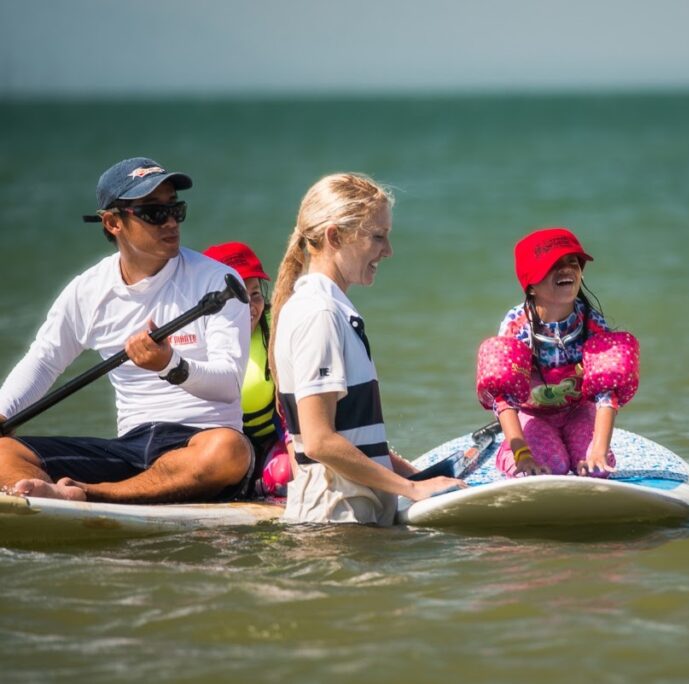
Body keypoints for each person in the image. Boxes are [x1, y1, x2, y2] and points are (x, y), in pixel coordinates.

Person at [0, 157, 252, 503]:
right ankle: (51, 496)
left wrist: (169, 365)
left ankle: (87, 495)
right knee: (3, 451)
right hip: (130, 450)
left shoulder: (216, 282)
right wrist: (3, 412)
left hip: (199, 444)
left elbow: (228, 385)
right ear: (112, 222)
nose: (170, 222)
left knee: (230, 450)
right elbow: (44, 361)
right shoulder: (88, 290)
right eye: (153, 213)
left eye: (175, 210)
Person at [269, 172, 464, 524]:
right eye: (378, 237)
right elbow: (318, 442)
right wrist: (412, 489)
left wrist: (409, 472)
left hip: (348, 509)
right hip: (337, 515)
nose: (387, 251)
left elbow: (346, 432)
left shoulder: (326, 307)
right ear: (334, 236)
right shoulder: (320, 313)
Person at [475, 227, 639, 478]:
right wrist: (523, 454)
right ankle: (507, 451)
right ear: (531, 286)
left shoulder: (591, 322)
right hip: (533, 415)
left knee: (597, 470)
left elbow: (607, 392)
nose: (566, 269)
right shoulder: (517, 326)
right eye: (553, 265)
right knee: (548, 469)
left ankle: (581, 449)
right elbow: (504, 397)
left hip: (579, 411)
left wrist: (599, 449)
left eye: (572, 261)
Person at [203, 242, 291, 498]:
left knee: (285, 476)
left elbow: (291, 415)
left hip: (271, 443)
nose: (250, 307)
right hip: (219, 452)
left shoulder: (275, 329)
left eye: (255, 295)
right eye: (239, 297)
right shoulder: (194, 337)